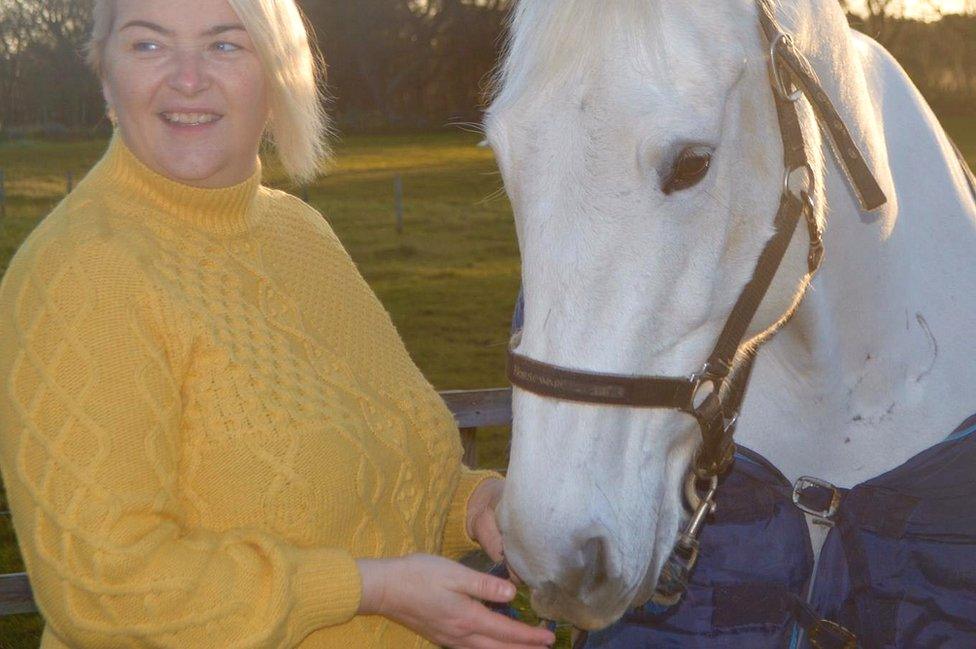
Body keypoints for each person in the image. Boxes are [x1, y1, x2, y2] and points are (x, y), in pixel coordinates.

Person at [0, 1, 555, 648]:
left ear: (278, 75)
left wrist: (475, 506)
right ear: (106, 76)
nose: (187, 77)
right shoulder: (81, 272)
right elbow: (106, 588)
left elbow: (395, 454)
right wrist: (370, 587)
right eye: (149, 46)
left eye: (225, 45)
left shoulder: (300, 232)